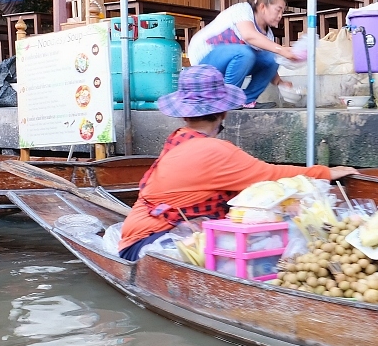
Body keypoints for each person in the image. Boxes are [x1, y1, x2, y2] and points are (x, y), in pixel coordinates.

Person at [118, 65, 357, 261]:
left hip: (138, 235)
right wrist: (326, 172)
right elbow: (271, 175)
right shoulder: (214, 150)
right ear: (223, 112)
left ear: (185, 114)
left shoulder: (180, 137)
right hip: (150, 244)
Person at [187, 0, 296, 109]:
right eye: (278, 10)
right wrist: (282, 50)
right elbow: (249, 35)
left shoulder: (268, 35)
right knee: (246, 53)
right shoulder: (243, 9)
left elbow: (269, 63)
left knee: (272, 58)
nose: (281, 15)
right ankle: (227, 99)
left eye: (282, 12)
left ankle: (246, 100)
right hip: (204, 59)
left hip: (228, 62)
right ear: (262, 7)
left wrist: (280, 83)